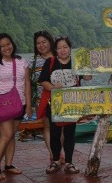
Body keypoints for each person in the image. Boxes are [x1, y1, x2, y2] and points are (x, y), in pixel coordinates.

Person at [38, 36, 92, 174]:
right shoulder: (50, 62)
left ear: (70, 48)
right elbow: (43, 80)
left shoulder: (76, 62)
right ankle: (55, 161)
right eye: (59, 48)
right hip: (55, 103)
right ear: (55, 50)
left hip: (72, 103)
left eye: (65, 47)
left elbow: (87, 77)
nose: (62, 50)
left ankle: (69, 162)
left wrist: (86, 67)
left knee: (69, 134)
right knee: (55, 134)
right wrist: (53, 87)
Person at [0, 33, 31, 181]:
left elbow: (27, 84)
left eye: (8, 44)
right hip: (2, 105)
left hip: (20, 104)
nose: (6, 47)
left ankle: (9, 165)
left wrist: (28, 105)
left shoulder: (22, 61)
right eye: (2, 46)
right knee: (6, 135)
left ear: (12, 44)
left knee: (12, 135)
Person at [24, 31, 65, 163]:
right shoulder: (32, 61)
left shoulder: (60, 56)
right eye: (38, 43)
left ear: (50, 42)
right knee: (47, 126)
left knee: (62, 126)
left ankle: (58, 152)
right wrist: (28, 105)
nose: (41, 45)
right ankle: (53, 155)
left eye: (44, 42)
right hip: (41, 99)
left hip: (61, 97)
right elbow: (27, 83)